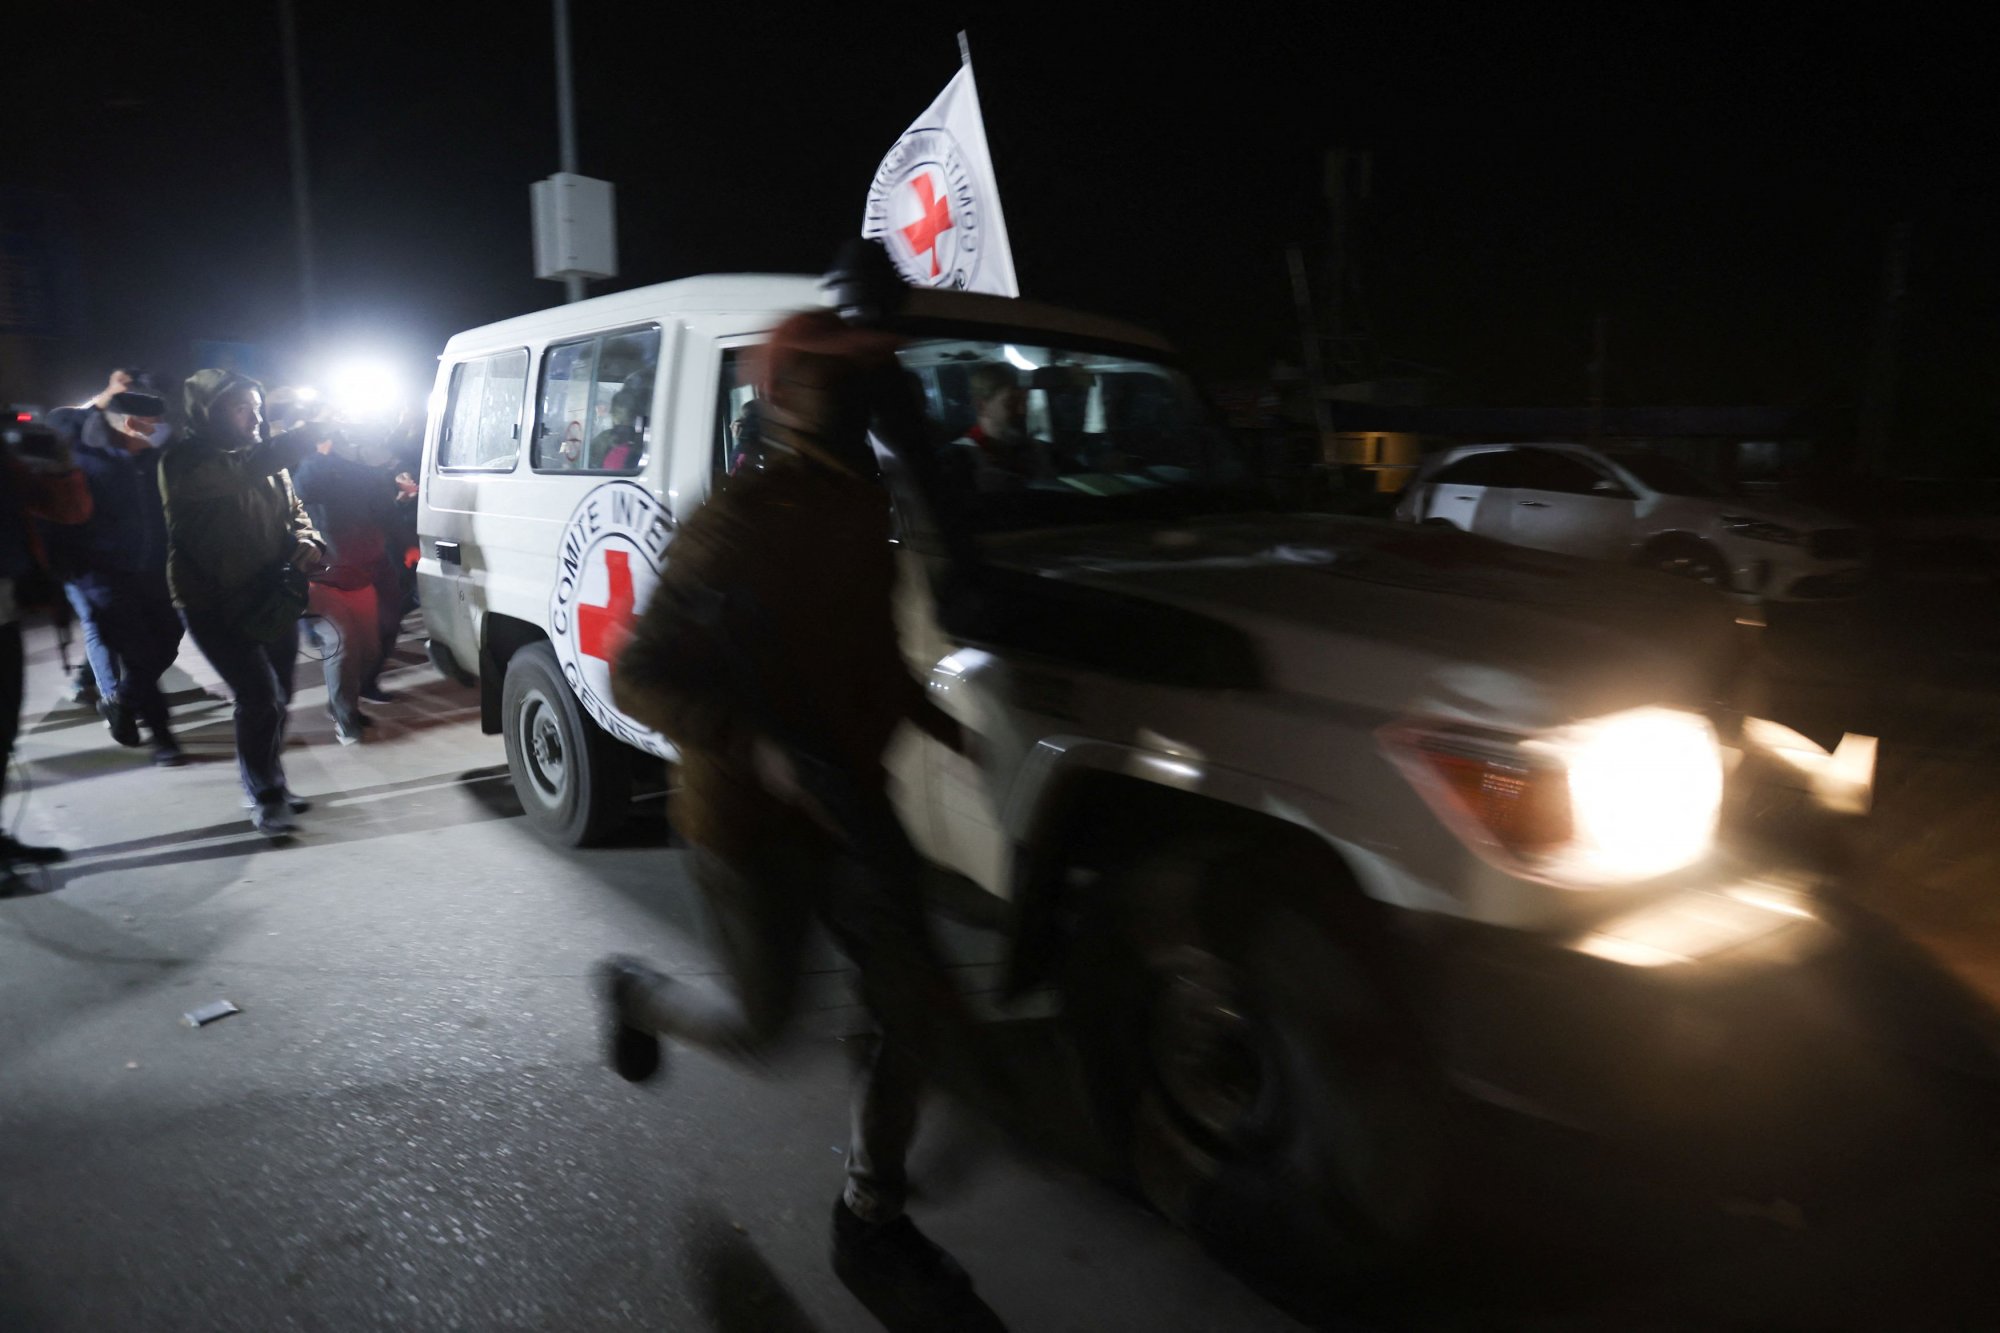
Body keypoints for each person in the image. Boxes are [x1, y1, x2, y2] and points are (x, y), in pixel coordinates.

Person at [598, 240, 992, 1314]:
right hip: (746, 823)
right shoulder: (735, 524)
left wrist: (935, 721)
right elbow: (637, 673)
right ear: (781, 395)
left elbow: (869, 646)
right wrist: (759, 750)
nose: (853, 390)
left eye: (859, 373)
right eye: (828, 375)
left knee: (910, 1000)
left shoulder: (863, 504)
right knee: (763, 1028)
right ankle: (636, 992)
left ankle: (870, 1218)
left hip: (848, 806)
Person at [161, 370, 326, 836]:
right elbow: (237, 475)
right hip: (212, 600)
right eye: (241, 409)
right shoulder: (184, 462)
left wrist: (309, 540)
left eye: (257, 407)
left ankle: (272, 780)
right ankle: (264, 795)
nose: (255, 418)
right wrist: (301, 438)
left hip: (270, 595)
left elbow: (295, 510)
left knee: (281, 695)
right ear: (208, 413)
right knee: (259, 698)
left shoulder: (265, 457)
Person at [50, 390, 189, 766]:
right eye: (154, 425)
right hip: (105, 577)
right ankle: (164, 740)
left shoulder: (153, 456)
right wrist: (79, 573)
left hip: (155, 570)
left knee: (168, 642)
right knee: (138, 653)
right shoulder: (84, 459)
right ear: (131, 425)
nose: (161, 430)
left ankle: (122, 702)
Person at [2, 413, 91, 885]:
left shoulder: (7, 461)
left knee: (3, 733)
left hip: (5, 612)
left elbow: (69, 510)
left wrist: (59, 462)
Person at [292, 424, 403, 744]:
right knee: (343, 645)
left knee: (369, 648)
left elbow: (385, 512)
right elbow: (305, 491)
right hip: (323, 577)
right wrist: (322, 453)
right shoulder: (310, 471)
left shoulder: (367, 472)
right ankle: (346, 718)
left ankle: (341, 703)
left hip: (362, 574)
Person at [952, 361, 1050, 491]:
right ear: (981, 406)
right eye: (1010, 402)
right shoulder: (958, 458)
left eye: (1025, 401)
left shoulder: (1039, 450)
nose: (1022, 411)